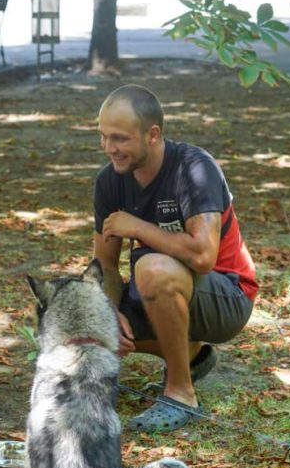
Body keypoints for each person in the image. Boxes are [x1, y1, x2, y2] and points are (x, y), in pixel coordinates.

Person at [93, 84, 258, 432]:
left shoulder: (195, 169)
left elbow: (203, 256)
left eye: (120, 139)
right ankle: (193, 355)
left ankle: (181, 393)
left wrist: (137, 226)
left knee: (151, 268)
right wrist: (106, 315)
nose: (110, 148)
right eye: (104, 136)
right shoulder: (109, 181)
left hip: (226, 294)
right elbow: (105, 267)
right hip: (160, 289)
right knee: (83, 308)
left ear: (153, 134)